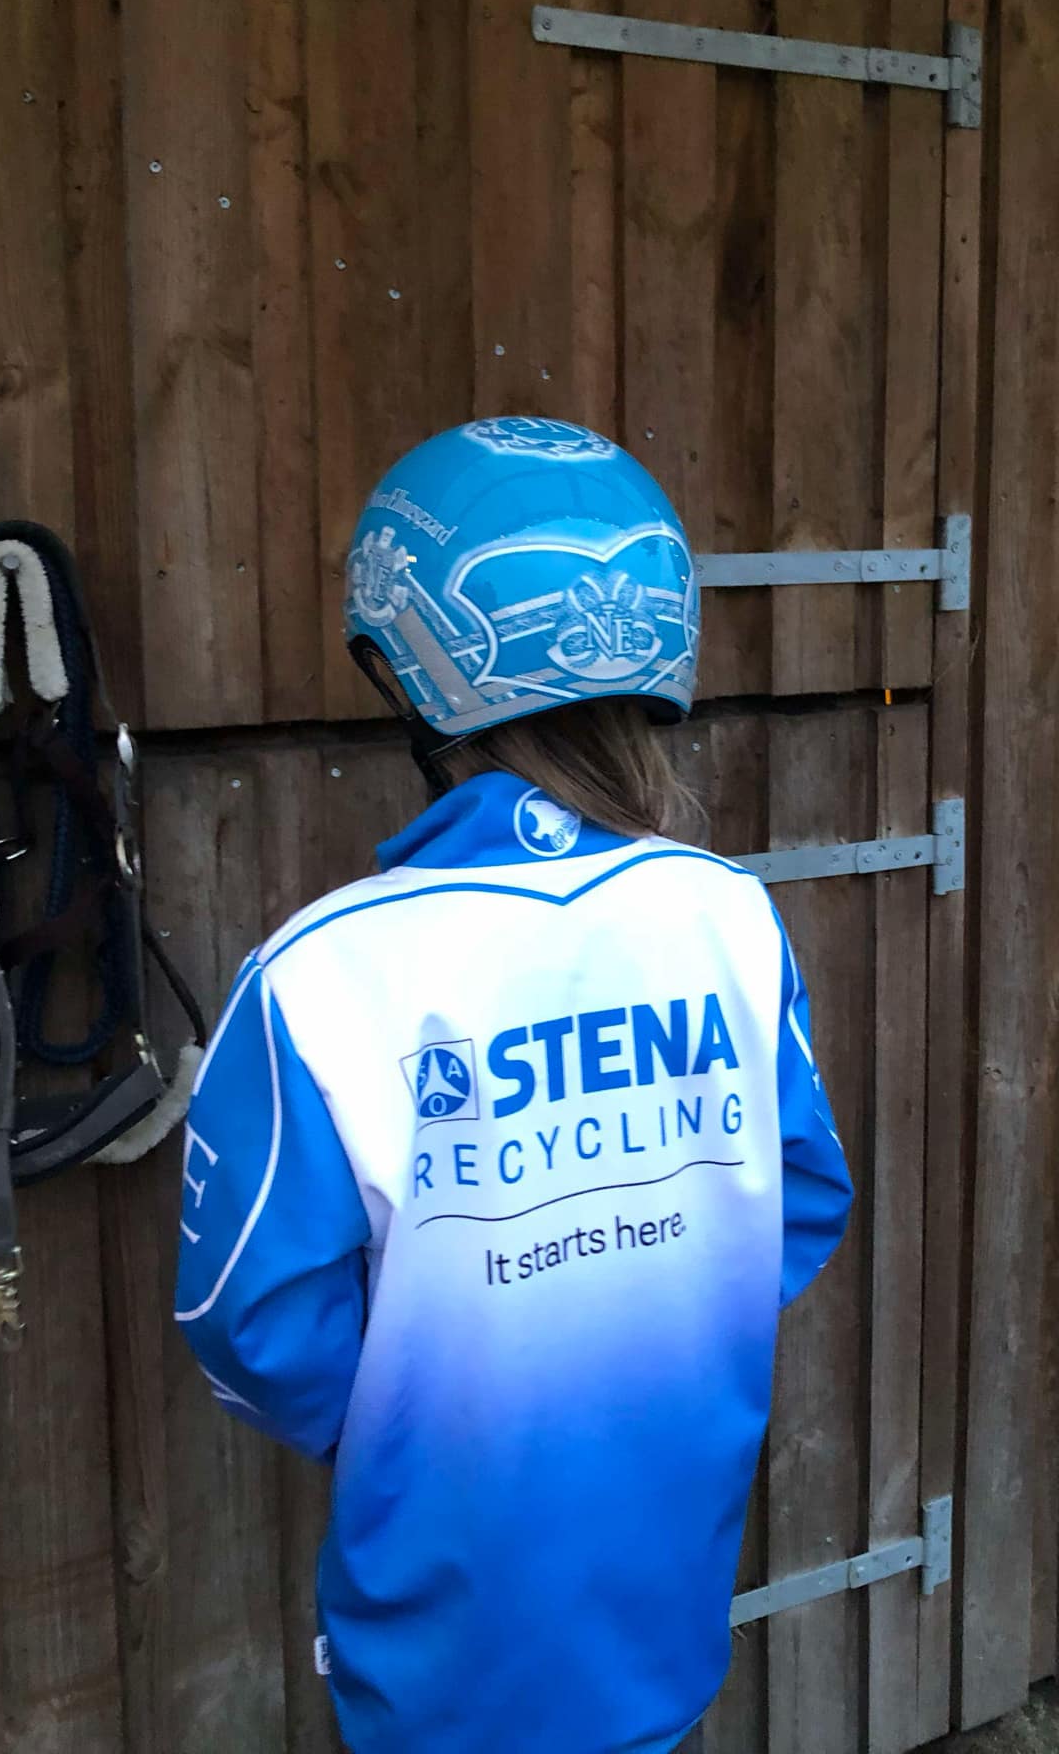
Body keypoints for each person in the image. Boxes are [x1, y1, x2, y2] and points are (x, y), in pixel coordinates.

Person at [174, 416, 854, 1754]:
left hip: (445, 1657)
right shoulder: (728, 915)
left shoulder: (318, 973)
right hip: (668, 1596)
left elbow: (250, 1323)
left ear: (405, 667)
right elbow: (803, 1199)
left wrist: (439, 1400)